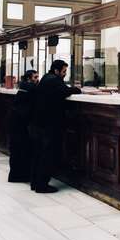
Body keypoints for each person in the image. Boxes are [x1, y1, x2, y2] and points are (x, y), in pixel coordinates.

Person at [28, 60, 81, 193]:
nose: (65, 74)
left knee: (39, 154)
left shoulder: (46, 78)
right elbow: (66, 91)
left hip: (39, 123)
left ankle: (36, 182)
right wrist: (79, 89)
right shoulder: (54, 80)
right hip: (48, 124)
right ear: (57, 71)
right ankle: (42, 185)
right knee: (48, 154)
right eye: (64, 71)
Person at [8, 70, 39, 183]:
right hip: (21, 123)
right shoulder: (31, 87)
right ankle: (22, 175)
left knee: (16, 149)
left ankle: (16, 175)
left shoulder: (23, 86)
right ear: (28, 78)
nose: (37, 79)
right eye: (35, 77)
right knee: (22, 148)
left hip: (15, 121)